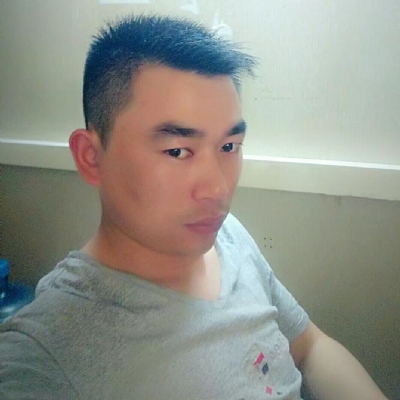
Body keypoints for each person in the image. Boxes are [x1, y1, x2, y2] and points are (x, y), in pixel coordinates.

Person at [0, 14, 390, 400]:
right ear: (90, 157)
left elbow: (308, 346)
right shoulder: (45, 354)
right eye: (177, 151)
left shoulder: (228, 234)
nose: (218, 189)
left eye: (228, 147)